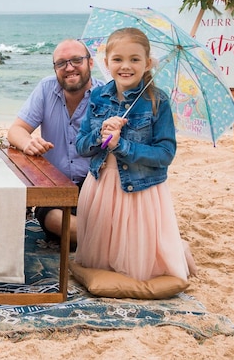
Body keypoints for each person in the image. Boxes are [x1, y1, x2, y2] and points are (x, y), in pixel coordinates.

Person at [73, 27, 195, 282]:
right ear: (106, 62)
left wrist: (122, 147)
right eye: (118, 59)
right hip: (101, 185)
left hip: (140, 189)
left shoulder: (156, 101)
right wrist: (101, 135)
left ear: (148, 63)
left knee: (138, 260)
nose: (125, 66)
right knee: (103, 258)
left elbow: (165, 154)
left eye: (135, 59)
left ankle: (177, 249)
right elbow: (81, 146)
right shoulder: (97, 96)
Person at [7, 39, 104, 247]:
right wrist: (28, 143)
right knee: (55, 220)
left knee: (99, 219)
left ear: (91, 63)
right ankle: (111, 239)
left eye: (77, 60)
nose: (69, 68)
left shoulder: (107, 96)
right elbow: (16, 130)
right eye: (61, 63)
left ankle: (100, 238)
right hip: (54, 189)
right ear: (55, 68)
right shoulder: (46, 88)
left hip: (96, 188)